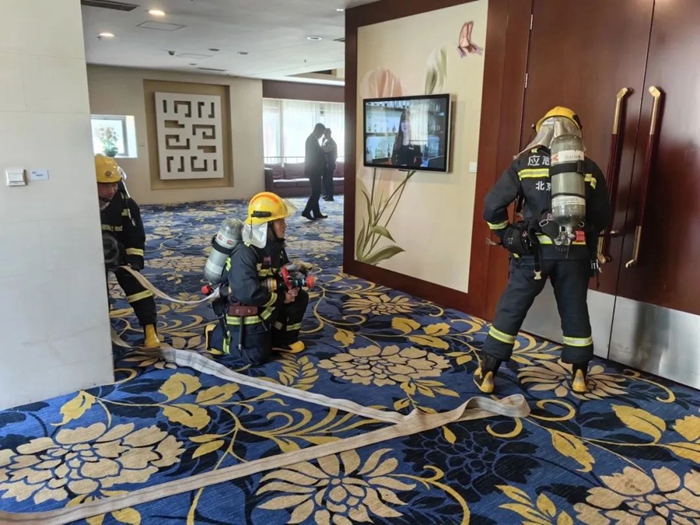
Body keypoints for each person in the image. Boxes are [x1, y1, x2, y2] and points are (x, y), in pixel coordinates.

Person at [474, 107, 610, 394]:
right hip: (574, 255)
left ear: (541, 130)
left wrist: (505, 233)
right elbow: (600, 218)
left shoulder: (524, 163)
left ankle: (488, 371)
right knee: (575, 309)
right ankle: (579, 374)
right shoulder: (589, 167)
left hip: (532, 254)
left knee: (512, 308)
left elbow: (492, 206)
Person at [207, 192, 309, 365]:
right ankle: (216, 336)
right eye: (280, 221)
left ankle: (280, 341)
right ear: (266, 226)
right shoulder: (244, 253)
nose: (285, 225)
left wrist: (292, 282)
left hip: (264, 296)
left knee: (300, 298)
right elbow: (246, 292)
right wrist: (282, 297)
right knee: (255, 356)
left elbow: (278, 271)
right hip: (243, 303)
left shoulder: (274, 246)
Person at [96, 154, 160, 349]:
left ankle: (150, 330)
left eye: (114, 184)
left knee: (138, 289)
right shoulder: (81, 206)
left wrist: (134, 261)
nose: (112, 189)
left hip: (121, 253)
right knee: (96, 293)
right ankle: (98, 330)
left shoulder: (127, 206)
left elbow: (135, 236)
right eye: (105, 185)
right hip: (92, 258)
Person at [302, 123, 328, 220]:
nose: (322, 135)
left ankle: (316, 213)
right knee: (316, 192)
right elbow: (314, 155)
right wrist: (323, 150)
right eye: (321, 132)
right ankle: (306, 211)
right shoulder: (311, 140)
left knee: (316, 191)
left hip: (314, 170)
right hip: (313, 170)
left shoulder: (313, 139)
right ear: (317, 130)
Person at [322, 128, 338, 202]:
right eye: (324, 133)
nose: (324, 135)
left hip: (330, 163)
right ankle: (327, 194)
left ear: (329, 133)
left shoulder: (332, 142)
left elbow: (326, 150)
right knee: (325, 179)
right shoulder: (326, 141)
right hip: (325, 163)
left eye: (326, 133)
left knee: (329, 180)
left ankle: (330, 196)